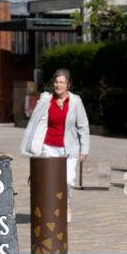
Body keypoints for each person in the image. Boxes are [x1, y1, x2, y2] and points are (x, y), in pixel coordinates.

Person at [20, 68, 90, 220]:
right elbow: (35, 123)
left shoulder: (76, 101)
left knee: (67, 180)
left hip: (70, 149)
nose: (58, 85)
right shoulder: (46, 100)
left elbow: (83, 126)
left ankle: (66, 204)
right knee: (51, 180)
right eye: (56, 82)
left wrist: (84, 149)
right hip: (49, 146)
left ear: (68, 85)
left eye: (62, 82)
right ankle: (53, 209)